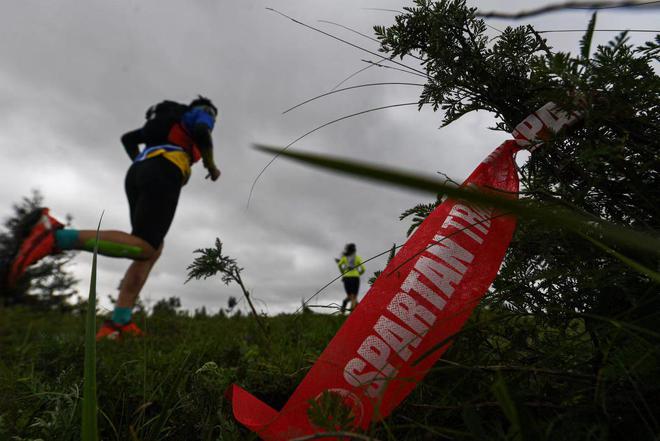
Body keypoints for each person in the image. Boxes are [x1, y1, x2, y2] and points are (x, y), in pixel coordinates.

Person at [5, 96, 221, 340]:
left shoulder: (165, 123)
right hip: (165, 171)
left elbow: (128, 139)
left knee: (153, 246)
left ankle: (119, 322)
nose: (212, 118)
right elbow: (203, 132)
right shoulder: (202, 112)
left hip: (138, 173)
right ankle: (55, 237)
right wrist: (211, 167)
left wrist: (143, 162)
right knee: (146, 247)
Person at [335, 243, 365, 314]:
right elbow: (363, 269)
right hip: (355, 278)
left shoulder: (344, 258)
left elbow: (339, 265)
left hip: (346, 278)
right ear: (354, 250)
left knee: (350, 296)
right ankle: (352, 314)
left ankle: (343, 308)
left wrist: (343, 273)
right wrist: (358, 274)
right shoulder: (357, 258)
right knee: (354, 296)